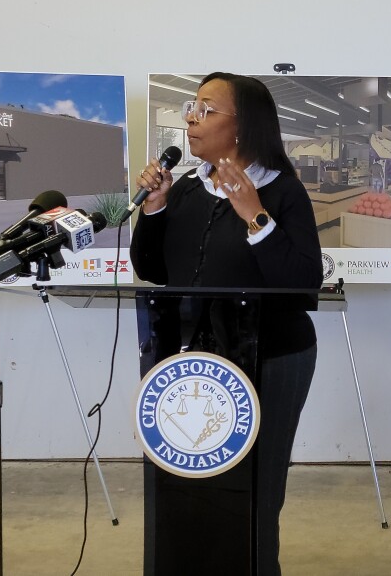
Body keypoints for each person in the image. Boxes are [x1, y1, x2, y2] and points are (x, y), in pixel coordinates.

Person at [130, 72, 323, 575]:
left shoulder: (280, 192)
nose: (191, 118)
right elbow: (153, 270)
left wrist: (255, 217)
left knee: (256, 491)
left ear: (242, 127)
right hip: (192, 363)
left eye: (206, 109)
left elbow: (304, 282)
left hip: (273, 358)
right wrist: (154, 209)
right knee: (188, 488)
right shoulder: (188, 190)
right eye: (191, 108)